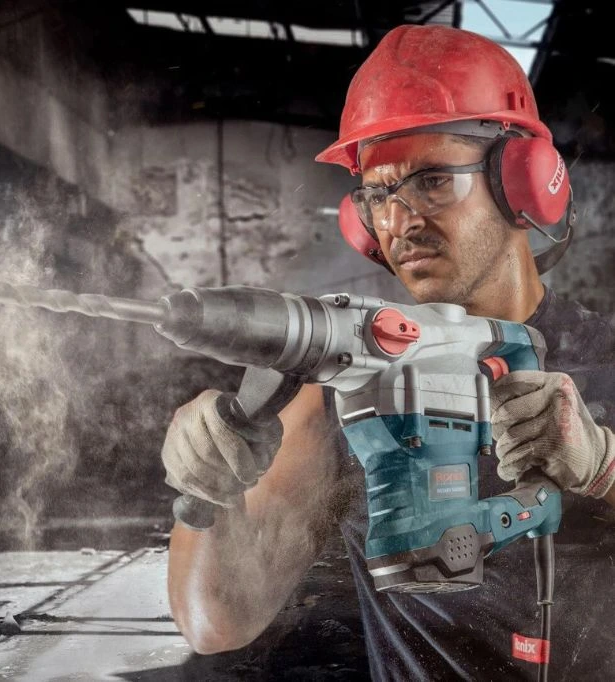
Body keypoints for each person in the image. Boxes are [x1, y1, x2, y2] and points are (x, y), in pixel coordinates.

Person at [162, 24, 615, 681]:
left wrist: (602, 466)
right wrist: (205, 494)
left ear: (523, 181)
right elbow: (215, 621)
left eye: (431, 181)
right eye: (377, 195)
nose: (401, 220)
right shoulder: (349, 384)